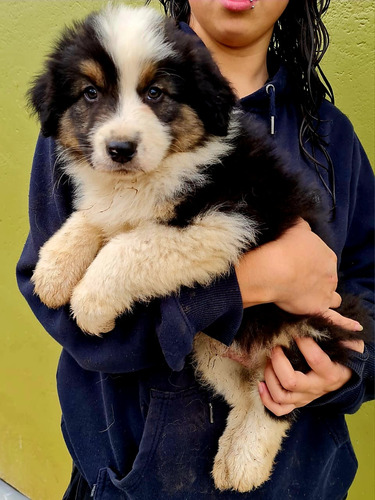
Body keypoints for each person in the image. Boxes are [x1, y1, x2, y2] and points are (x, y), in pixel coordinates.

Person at [17, 0, 374, 498]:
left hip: (300, 478)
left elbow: (364, 284)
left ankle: (261, 416)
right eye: (93, 93)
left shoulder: (331, 138)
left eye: (155, 93)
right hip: (128, 479)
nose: (119, 125)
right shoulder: (74, 141)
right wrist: (248, 284)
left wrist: (348, 369)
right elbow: (62, 301)